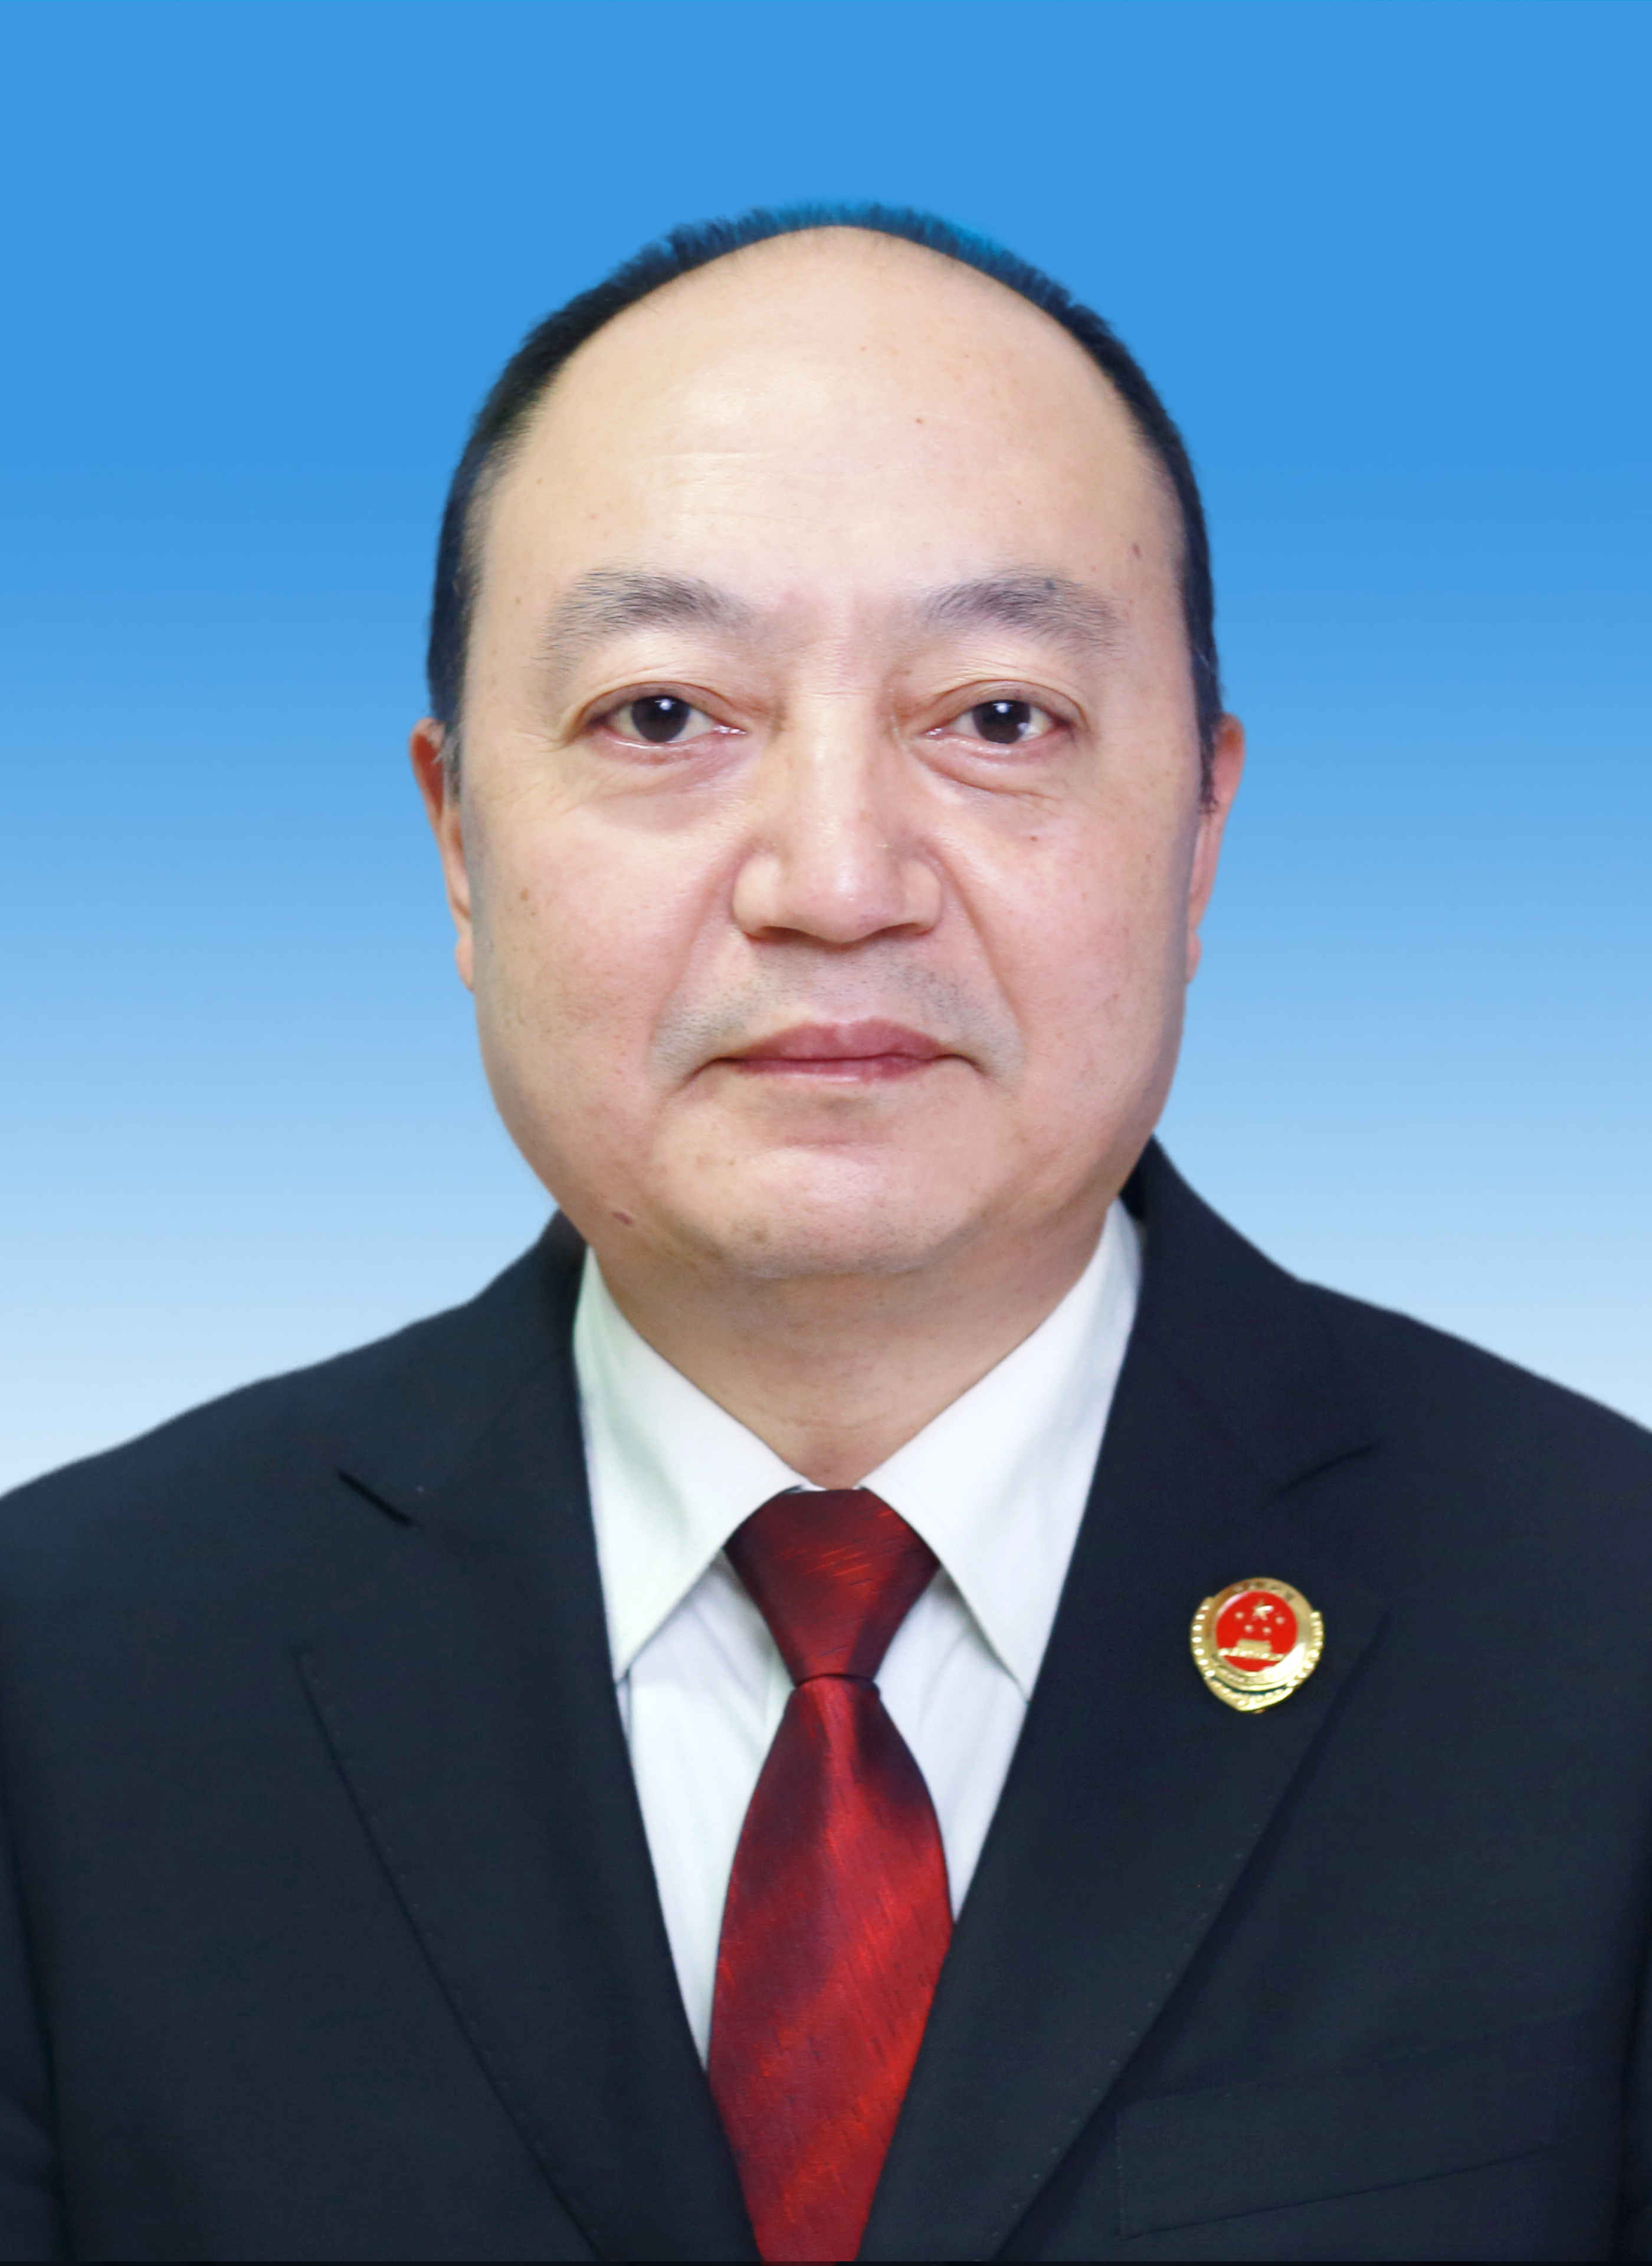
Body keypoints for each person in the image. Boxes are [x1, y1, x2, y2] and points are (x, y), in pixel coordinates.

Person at [2, 204, 1648, 2266]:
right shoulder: (70, 1679)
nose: (840, 879)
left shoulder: (1603, 1624)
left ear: (1202, 833)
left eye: (1000, 717)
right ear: (456, 839)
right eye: (664, 716)